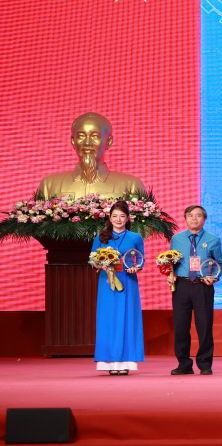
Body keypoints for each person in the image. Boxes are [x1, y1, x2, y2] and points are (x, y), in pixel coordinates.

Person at [168, 205, 222, 376]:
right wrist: (168, 272)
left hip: (203, 285)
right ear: (185, 218)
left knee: (204, 325)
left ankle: (205, 364)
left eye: (198, 216)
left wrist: (213, 277)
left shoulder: (213, 239)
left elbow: (219, 263)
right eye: (190, 215)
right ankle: (184, 363)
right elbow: (171, 261)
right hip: (182, 285)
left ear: (204, 219)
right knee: (180, 326)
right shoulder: (177, 239)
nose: (194, 219)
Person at [38, 112, 146, 199]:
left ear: (109, 141)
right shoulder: (49, 185)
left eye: (95, 136)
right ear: (73, 141)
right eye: (81, 136)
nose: (88, 142)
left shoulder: (131, 186)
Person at [92, 200, 144, 375]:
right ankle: (109, 362)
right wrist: (101, 264)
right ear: (110, 217)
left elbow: (140, 259)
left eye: (122, 216)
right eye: (115, 216)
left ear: (128, 218)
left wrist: (136, 267)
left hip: (128, 281)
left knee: (127, 319)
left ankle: (125, 362)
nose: (118, 219)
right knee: (108, 320)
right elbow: (92, 260)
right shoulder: (101, 237)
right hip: (107, 283)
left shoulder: (135, 237)